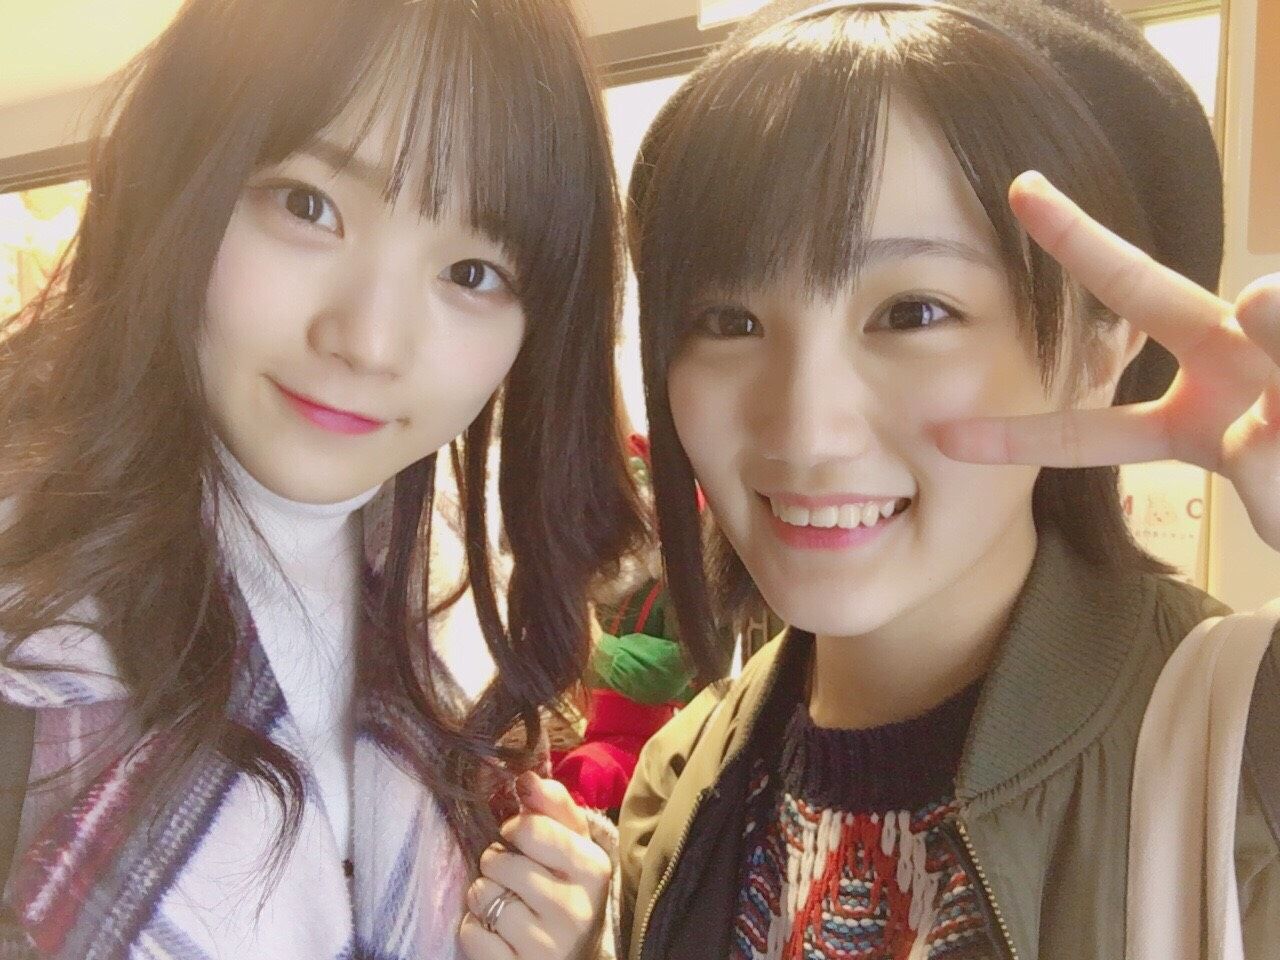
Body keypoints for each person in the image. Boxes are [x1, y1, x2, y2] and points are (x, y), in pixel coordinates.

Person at [618, 1, 1280, 958]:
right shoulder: (681, 784)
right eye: (728, 321)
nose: (806, 428)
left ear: (1098, 352)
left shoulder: (1248, 751)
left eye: (913, 312)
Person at [0, 1, 641, 958]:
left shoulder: (458, 614)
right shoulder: (35, 618)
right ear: (182, 172)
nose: (369, 341)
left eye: (472, 272)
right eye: (308, 205)